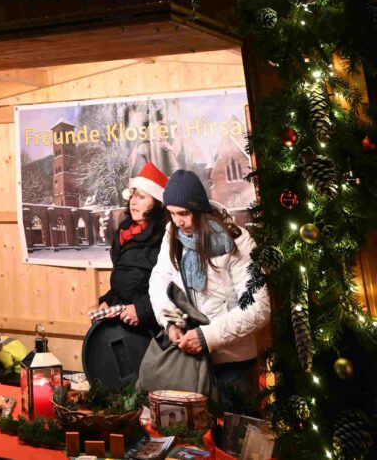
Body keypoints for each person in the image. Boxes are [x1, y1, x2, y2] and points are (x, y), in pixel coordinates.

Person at [148, 169, 270, 411]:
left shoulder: (238, 242)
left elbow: (259, 307)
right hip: (190, 362)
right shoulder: (173, 234)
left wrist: (207, 337)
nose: (177, 221)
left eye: (183, 213)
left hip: (231, 365)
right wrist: (171, 323)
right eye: (171, 213)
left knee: (233, 442)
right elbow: (159, 280)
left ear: (199, 210)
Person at [89, 161, 169, 379]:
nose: (133, 202)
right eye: (132, 195)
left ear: (158, 202)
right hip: (122, 328)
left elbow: (175, 288)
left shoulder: (166, 237)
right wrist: (108, 299)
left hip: (149, 332)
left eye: (141, 197)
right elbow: (126, 280)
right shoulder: (125, 232)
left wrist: (142, 311)